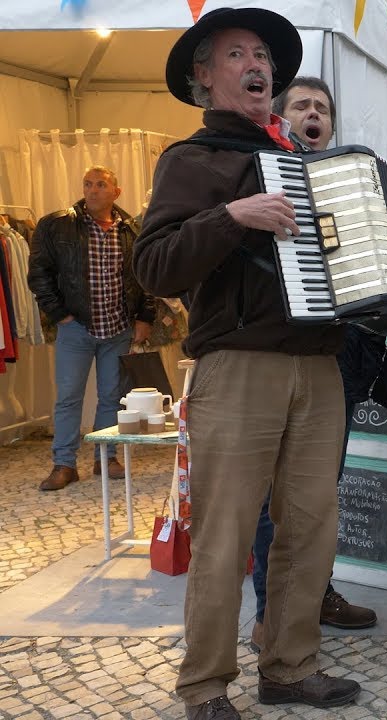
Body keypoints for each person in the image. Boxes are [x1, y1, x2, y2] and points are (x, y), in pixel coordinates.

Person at [134, 8, 360, 719]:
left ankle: (290, 666)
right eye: (236, 53)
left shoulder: (309, 164)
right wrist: (234, 217)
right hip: (238, 365)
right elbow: (155, 267)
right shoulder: (190, 160)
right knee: (226, 533)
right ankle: (204, 686)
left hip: (320, 365)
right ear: (204, 78)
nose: (256, 64)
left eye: (261, 53)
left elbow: (349, 265)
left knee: (310, 529)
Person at [243, 75, 378, 653]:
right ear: (282, 117)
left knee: (323, 491)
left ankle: (316, 592)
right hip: (276, 354)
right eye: (302, 105)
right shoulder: (262, 173)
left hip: (337, 354)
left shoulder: (350, 185)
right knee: (275, 495)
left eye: (322, 108)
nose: (314, 114)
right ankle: (271, 611)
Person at [27, 166, 155, 491]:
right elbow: (39, 272)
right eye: (88, 184)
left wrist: (145, 317)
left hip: (118, 327)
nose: (93, 190)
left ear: (116, 191)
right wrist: (59, 314)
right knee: (69, 397)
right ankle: (64, 464)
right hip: (76, 328)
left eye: (101, 184)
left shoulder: (132, 229)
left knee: (112, 396)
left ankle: (105, 457)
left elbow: (145, 276)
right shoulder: (57, 225)